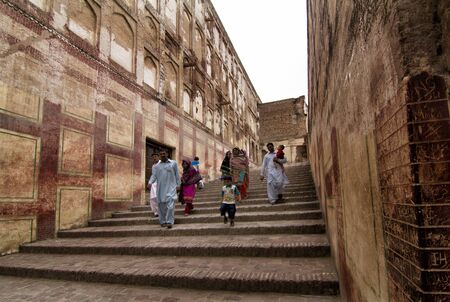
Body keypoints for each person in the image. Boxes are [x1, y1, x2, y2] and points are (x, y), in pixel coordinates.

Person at [148, 150, 181, 229]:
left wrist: (178, 185)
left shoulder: (173, 163)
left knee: (170, 206)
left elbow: (177, 175)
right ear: (160, 156)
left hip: (171, 188)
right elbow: (154, 176)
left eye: (164, 153)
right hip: (160, 189)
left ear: (167, 154)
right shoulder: (157, 166)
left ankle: (169, 222)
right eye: (161, 154)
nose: (162, 155)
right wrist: (150, 183)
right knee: (161, 206)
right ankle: (162, 221)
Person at [146, 153, 160, 217]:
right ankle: (156, 212)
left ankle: (161, 211)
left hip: (162, 183)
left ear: (158, 157)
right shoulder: (153, 166)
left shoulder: (162, 163)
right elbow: (153, 175)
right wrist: (149, 183)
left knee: (160, 198)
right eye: (153, 157)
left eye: (155, 156)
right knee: (153, 198)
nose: (154, 158)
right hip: (154, 183)